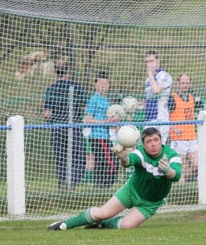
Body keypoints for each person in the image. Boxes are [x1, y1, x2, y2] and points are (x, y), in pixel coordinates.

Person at [47, 127, 182, 231]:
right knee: (102, 212)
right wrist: (123, 157)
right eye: (149, 141)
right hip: (131, 190)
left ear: (161, 141)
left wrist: (168, 171)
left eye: (155, 140)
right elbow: (128, 162)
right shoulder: (140, 153)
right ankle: (65, 225)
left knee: (127, 226)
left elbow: (176, 176)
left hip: (150, 202)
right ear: (143, 144)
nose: (153, 144)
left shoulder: (171, 155)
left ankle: (103, 224)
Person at [44, 61, 87, 189]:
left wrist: (53, 119)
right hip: (74, 126)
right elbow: (84, 108)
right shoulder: (76, 86)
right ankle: (73, 181)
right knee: (79, 154)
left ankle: (62, 182)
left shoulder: (51, 89)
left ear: (55, 72)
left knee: (61, 155)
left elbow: (46, 113)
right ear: (68, 71)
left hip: (58, 127)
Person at [84, 72, 119, 188]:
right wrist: (105, 122)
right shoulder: (94, 99)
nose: (104, 86)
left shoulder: (107, 101)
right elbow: (88, 119)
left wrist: (114, 121)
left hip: (106, 136)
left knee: (107, 162)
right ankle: (101, 187)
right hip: (98, 136)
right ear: (96, 85)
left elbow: (108, 120)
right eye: (101, 83)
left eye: (106, 83)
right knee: (109, 163)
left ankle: (102, 188)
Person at [168, 74, 205, 183]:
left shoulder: (192, 97)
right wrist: (174, 128)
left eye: (187, 83)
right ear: (178, 84)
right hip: (178, 138)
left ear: (190, 84)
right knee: (181, 166)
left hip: (191, 136)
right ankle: (182, 190)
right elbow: (166, 117)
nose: (185, 85)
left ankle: (196, 184)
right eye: (183, 83)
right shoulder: (172, 98)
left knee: (197, 163)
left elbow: (201, 111)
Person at [144, 50, 173, 143]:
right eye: (147, 62)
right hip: (149, 119)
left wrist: (150, 74)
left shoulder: (165, 76)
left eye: (151, 61)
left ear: (158, 62)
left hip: (161, 118)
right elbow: (148, 99)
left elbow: (156, 90)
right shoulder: (148, 80)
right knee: (147, 147)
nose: (149, 64)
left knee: (159, 147)